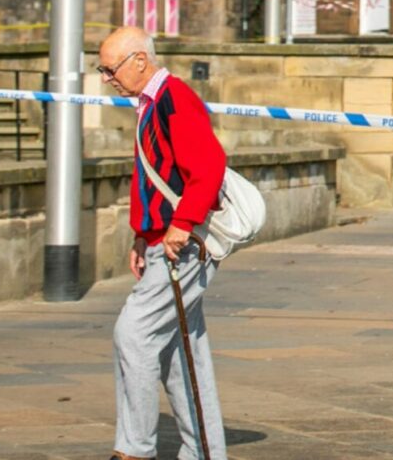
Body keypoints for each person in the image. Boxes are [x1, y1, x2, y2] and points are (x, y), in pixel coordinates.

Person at [97, 25, 228, 460]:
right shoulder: (153, 102)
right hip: (166, 240)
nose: (107, 78)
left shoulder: (174, 98)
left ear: (139, 60)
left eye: (110, 69)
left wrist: (182, 223)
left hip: (181, 244)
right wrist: (143, 234)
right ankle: (204, 452)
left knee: (133, 334)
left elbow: (209, 165)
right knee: (181, 351)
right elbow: (155, 178)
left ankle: (134, 451)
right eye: (102, 70)